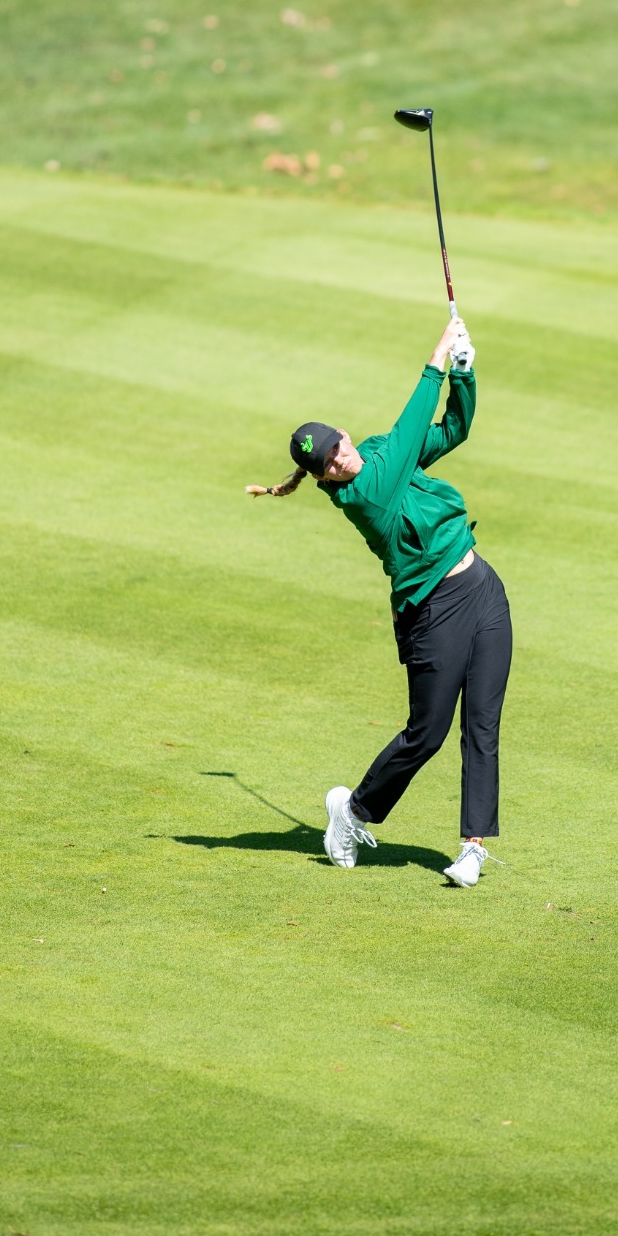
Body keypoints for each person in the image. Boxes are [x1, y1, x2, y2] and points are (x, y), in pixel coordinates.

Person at [247, 315, 511, 887]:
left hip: (483, 589)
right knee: (429, 732)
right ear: (322, 478)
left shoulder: (379, 452)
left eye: (337, 447)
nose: (340, 460)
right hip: (432, 611)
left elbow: (449, 431)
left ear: (343, 434)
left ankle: (473, 848)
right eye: (328, 465)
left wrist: (463, 374)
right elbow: (416, 422)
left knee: (483, 725)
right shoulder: (363, 495)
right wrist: (437, 356)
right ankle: (354, 811)